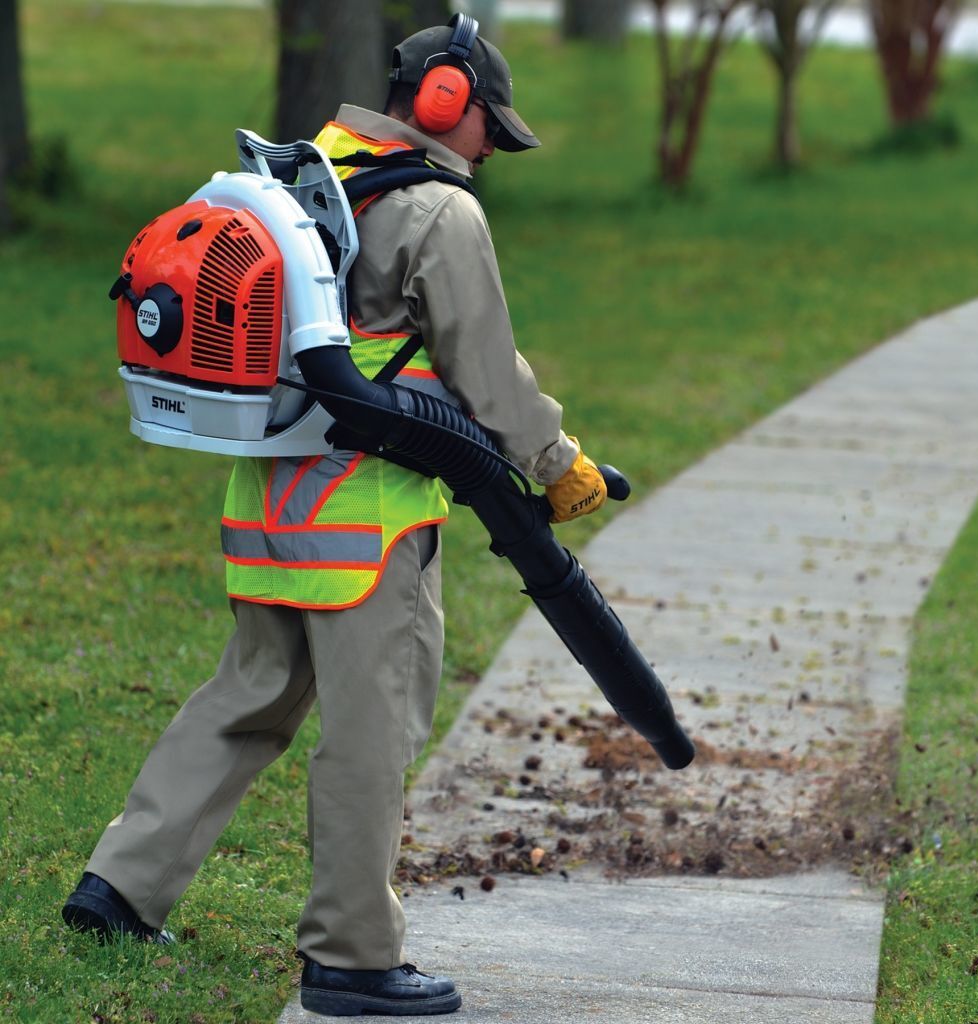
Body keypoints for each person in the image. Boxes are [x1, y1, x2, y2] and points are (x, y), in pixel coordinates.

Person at [62, 14, 608, 1018]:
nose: (493, 144)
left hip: (270, 495)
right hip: (369, 521)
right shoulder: (441, 211)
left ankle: (119, 886)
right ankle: (353, 956)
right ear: (447, 101)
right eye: (491, 122)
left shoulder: (299, 167)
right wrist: (557, 464)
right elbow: (483, 371)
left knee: (251, 693)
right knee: (373, 733)